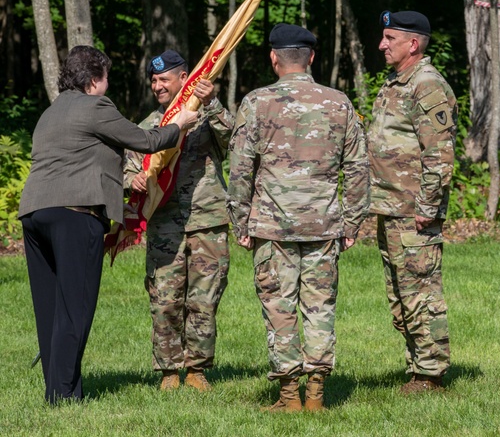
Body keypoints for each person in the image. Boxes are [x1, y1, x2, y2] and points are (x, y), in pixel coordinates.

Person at [19, 45, 198, 404]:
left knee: (50, 309)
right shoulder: (96, 106)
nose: (107, 84)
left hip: (34, 214)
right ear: (95, 79)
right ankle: (65, 395)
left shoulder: (50, 113)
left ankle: (58, 391)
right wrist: (179, 125)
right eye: (106, 77)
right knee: (76, 306)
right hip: (75, 214)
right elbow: (146, 141)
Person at [228, 24, 369, 412]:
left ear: (274, 58)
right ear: (311, 57)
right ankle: (316, 394)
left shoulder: (256, 103)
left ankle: (289, 396)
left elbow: (240, 169)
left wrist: (241, 223)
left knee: (279, 305)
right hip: (324, 224)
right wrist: (352, 223)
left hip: (273, 225)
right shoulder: (338, 102)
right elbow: (358, 169)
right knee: (320, 305)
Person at [124, 50, 234, 391]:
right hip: (165, 223)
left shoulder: (204, 117)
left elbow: (235, 141)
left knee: (204, 298)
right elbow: (128, 168)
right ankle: (169, 371)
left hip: (208, 219)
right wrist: (133, 181)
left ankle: (197, 369)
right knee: (165, 299)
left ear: (184, 78)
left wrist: (212, 103)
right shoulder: (146, 127)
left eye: (164, 79)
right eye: (154, 80)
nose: (157, 86)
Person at [368, 10, 456, 393]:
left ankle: (431, 373)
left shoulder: (427, 85)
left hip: (412, 212)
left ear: (413, 43)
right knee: (401, 294)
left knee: (421, 291)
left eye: (389, 38)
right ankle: (417, 365)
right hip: (390, 208)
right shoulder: (396, 83)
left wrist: (427, 206)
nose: (381, 45)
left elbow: (439, 154)